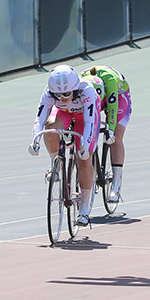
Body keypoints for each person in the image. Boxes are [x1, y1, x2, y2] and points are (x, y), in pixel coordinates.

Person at [28, 65, 101, 227]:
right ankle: (56, 164)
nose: (62, 98)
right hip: (64, 114)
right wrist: (35, 141)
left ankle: (84, 208)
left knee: (84, 158)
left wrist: (85, 145)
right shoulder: (48, 92)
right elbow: (39, 119)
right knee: (50, 127)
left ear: (75, 89)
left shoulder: (86, 90)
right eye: (58, 95)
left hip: (85, 117)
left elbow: (90, 122)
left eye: (67, 94)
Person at [80, 66, 132, 202]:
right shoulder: (79, 82)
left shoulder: (109, 82)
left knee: (116, 136)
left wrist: (110, 129)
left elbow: (113, 109)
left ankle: (115, 186)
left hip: (118, 98)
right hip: (93, 97)